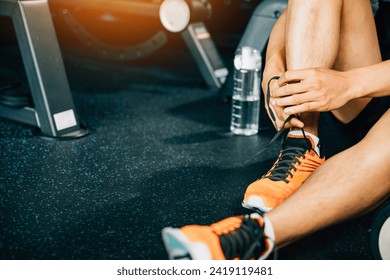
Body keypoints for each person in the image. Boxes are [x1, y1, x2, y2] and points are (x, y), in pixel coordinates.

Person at [161, 0, 390, 260]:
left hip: (361, 93)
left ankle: (247, 238)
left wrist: (348, 84)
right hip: (360, 92)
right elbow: (290, 10)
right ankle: (303, 143)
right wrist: (272, 67)